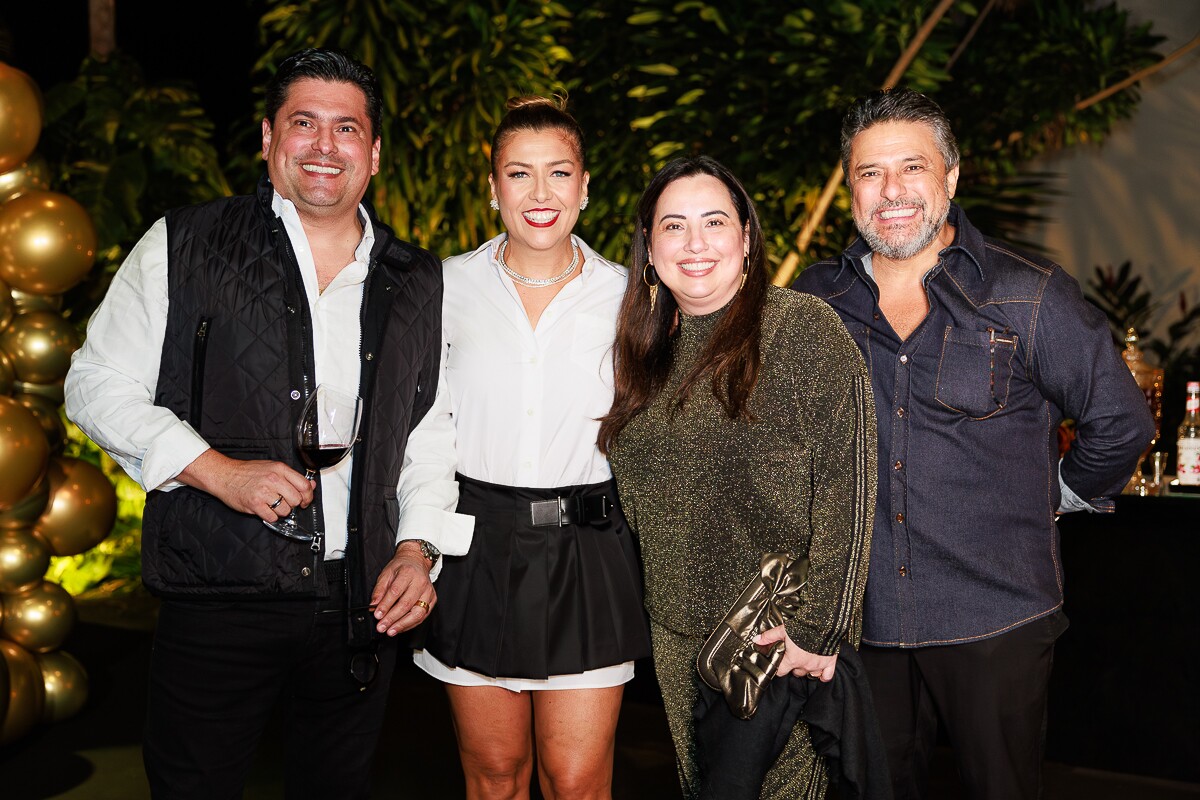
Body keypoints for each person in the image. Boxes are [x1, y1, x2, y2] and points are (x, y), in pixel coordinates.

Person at [63, 48, 472, 799]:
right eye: (304, 123)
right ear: (267, 137)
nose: (324, 146)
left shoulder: (418, 279)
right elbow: (94, 385)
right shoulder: (181, 244)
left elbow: (429, 432)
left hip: (361, 604)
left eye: (346, 128)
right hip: (218, 594)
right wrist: (217, 470)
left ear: (374, 153)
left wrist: (417, 550)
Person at [793, 88, 1156, 799]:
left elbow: (1120, 420)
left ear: (950, 178)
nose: (891, 191)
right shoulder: (817, 303)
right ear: (850, 187)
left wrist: (1056, 491)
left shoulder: (1027, 295)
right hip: (863, 622)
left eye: (912, 168)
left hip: (994, 618)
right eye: (870, 173)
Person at [599, 155, 878, 799]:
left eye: (714, 222)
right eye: (673, 226)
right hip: (677, 639)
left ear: (746, 237)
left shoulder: (802, 330)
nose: (694, 244)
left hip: (774, 638)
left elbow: (850, 488)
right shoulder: (642, 349)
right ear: (649, 248)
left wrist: (819, 632)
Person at [403, 96, 652, 800]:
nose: (540, 194)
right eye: (519, 174)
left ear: (585, 186)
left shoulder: (632, 299)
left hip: (590, 549)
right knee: (495, 778)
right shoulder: (443, 288)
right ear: (493, 188)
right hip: (476, 547)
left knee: (576, 782)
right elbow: (425, 429)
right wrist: (416, 542)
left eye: (558, 173)